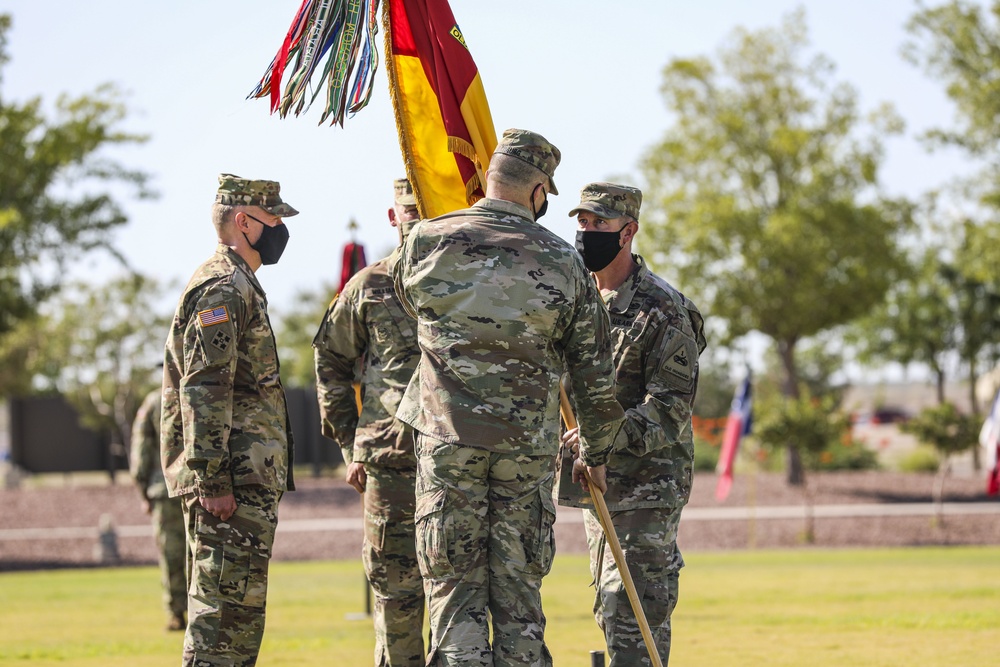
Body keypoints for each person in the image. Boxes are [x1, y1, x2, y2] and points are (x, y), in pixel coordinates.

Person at [393, 129, 626, 666]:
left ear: (490, 178)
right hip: (526, 449)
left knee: (454, 597)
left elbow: (411, 309)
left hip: (448, 442)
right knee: (520, 599)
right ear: (539, 190)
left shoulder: (427, 241)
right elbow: (592, 374)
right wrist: (597, 453)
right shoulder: (564, 261)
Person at [558, 182, 707, 666]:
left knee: (634, 606)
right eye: (582, 222)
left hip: (647, 483)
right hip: (594, 479)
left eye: (599, 224)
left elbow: (668, 409)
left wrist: (601, 439)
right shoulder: (576, 304)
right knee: (609, 603)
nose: (587, 233)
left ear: (628, 232)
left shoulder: (663, 309)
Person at [161, 173, 298, 667]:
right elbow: (204, 387)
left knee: (237, 623)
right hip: (229, 488)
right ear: (244, 221)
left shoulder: (241, 285)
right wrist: (213, 478)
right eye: (274, 219)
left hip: (244, 483)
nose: (281, 228)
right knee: (220, 622)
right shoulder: (223, 288)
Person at [313, 178, 425, 666]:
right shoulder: (370, 285)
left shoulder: (472, 286)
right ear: (392, 216)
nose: (418, 218)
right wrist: (350, 444)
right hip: (392, 463)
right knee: (397, 595)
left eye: (427, 207)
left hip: (466, 461)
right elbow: (331, 362)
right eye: (409, 209)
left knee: (462, 596)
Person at [130, 382, 187, 632]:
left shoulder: (154, 401)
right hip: (202, 488)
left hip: (164, 490)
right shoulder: (202, 392)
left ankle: (176, 613)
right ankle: (206, 613)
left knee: (171, 554)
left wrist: (143, 490)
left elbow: (141, 451)